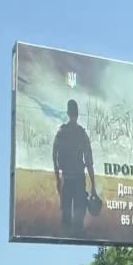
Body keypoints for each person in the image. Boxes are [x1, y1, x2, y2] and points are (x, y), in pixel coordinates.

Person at [52, 99, 96, 233]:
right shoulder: (82, 134)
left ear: (68, 113)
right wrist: (93, 186)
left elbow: (54, 156)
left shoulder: (61, 132)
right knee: (78, 221)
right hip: (78, 180)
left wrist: (58, 179)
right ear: (77, 114)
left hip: (66, 179)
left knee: (66, 219)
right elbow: (89, 162)